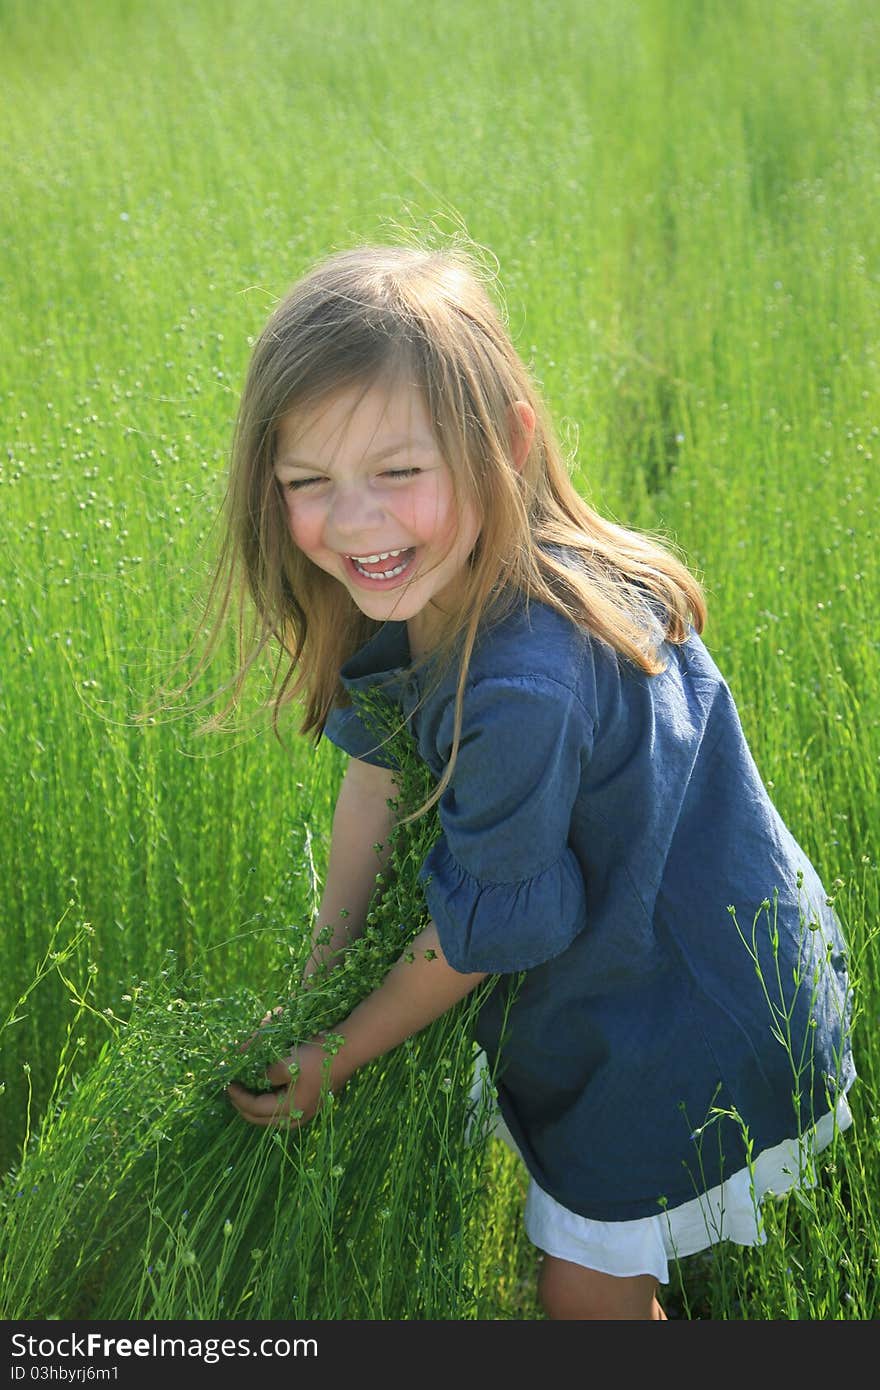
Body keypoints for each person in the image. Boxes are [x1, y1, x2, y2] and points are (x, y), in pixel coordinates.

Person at [222, 243, 856, 1320]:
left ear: (504, 443)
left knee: (587, 1295)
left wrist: (337, 1051)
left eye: (398, 472)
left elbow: (486, 931)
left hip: (679, 1013)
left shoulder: (521, 684)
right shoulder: (415, 588)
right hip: (658, 944)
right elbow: (376, 774)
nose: (356, 522)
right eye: (308, 484)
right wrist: (323, 972)